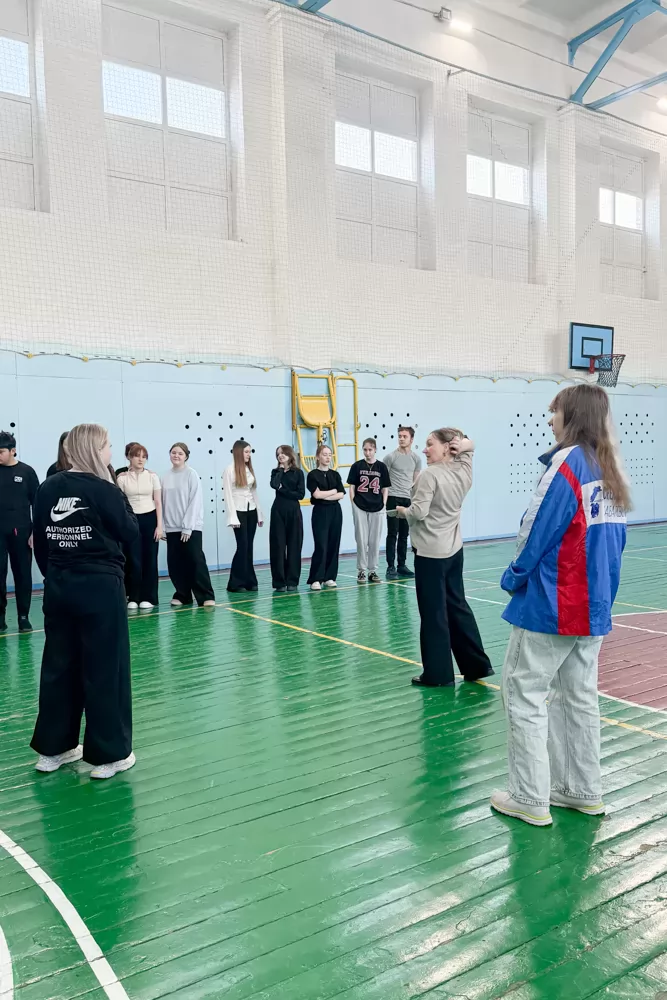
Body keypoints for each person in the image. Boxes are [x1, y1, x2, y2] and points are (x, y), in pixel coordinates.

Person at [491, 384, 629, 828]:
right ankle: (581, 790)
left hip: (554, 603)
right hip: (594, 606)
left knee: (523, 693)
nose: (550, 420)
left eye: (555, 412)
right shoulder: (608, 467)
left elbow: (536, 529)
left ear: (573, 416)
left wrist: (513, 576)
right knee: (578, 697)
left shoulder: (568, 463)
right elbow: (617, 542)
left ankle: (528, 797)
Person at [30, 423, 139, 779]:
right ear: (95, 449)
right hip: (100, 589)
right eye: (108, 446)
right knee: (106, 669)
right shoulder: (105, 489)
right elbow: (129, 531)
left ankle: (54, 749)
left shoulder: (47, 488)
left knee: (59, 667)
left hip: (59, 588)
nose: (111, 452)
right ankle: (110, 755)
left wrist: (55, 574)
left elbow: (41, 542)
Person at [395, 428, 493, 688]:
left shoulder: (429, 475)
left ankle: (438, 674)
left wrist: (402, 512)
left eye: (430, 444)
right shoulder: (464, 471)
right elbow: (470, 446)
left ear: (447, 447)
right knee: (458, 606)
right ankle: (477, 665)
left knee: (433, 614)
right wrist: (461, 446)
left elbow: (418, 512)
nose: (425, 450)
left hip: (430, 554)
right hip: (454, 551)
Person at [161, 443, 215, 608]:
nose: (176, 456)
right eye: (173, 452)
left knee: (195, 560)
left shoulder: (191, 474)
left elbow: (195, 501)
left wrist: (187, 526)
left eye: (180, 453)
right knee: (175, 563)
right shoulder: (165, 476)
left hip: (191, 527)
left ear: (186, 456)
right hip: (172, 528)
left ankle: (205, 595)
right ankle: (183, 595)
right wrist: (163, 526)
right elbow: (162, 502)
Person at [0, 430, 39, 633]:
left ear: (12, 451)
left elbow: (38, 504)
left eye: (0, 452)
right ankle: (0, 618)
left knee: (22, 575)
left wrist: (35, 532)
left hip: (21, 532)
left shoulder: (27, 472)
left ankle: (23, 616)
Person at [117, 443, 162, 609]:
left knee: (150, 558)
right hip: (131, 519)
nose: (140, 459)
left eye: (144, 457)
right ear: (129, 457)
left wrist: (160, 526)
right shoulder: (121, 478)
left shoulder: (152, 476)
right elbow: (120, 503)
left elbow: (158, 502)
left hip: (150, 518)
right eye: (137, 456)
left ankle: (149, 597)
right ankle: (134, 597)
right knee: (133, 559)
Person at [223, 440, 264, 593]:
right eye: (246, 452)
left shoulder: (248, 469)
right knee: (243, 546)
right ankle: (235, 583)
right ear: (238, 452)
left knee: (249, 546)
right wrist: (232, 517)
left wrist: (259, 514)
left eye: (250, 452)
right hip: (238, 511)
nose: (249, 455)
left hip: (251, 511)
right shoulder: (229, 470)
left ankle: (250, 581)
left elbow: (253, 492)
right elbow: (228, 495)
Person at [348, 438, 390, 584]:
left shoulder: (381, 467)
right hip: (360, 505)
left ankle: (373, 570)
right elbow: (352, 487)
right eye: (365, 450)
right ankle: (361, 571)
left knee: (374, 540)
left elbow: (385, 488)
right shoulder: (357, 466)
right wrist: (353, 503)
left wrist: (383, 504)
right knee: (361, 539)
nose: (367, 452)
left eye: (370, 450)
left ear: (375, 450)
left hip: (377, 507)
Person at [383, 426, 422, 579]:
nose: (401, 439)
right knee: (392, 533)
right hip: (393, 497)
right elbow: (384, 480)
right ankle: (390, 567)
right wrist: (384, 500)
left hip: (407, 499)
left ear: (411, 439)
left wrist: (414, 499)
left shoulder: (416, 459)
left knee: (404, 534)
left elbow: (416, 481)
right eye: (399, 436)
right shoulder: (390, 457)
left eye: (405, 436)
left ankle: (401, 565)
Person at [306, 444, 345, 591]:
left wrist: (326, 495)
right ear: (318, 457)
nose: (328, 457)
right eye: (324, 454)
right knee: (321, 545)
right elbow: (317, 495)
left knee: (334, 544)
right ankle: (316, 578)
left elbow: (341, 494)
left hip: (335, 511)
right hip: (320, 512)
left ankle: (330, 577)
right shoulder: (312, 475)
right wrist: (333, 491)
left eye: (330, 454)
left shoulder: (335, 475)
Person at [270, 445, 305, 592]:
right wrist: (280, 471)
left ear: (290, 455)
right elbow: (274, 484)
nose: (280, 456)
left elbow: (300, 494)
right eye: (278, 454)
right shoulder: (275, 472)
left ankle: (292, 580)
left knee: (294, 545)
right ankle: (279, 582)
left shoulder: (298, 473)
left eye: (283, 453)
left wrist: (282, 489)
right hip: (278, 511)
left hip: (293, 511)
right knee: (277, 546)